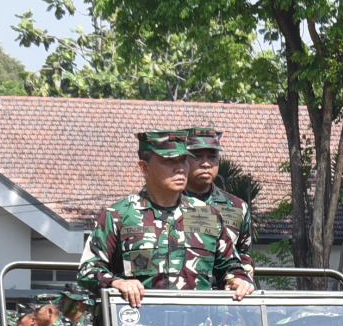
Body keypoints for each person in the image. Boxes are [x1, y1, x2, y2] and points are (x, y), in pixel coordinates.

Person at [78, 129, 254, 306]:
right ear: (144, 167)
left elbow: (232, 266)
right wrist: (117, 283)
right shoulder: (118, 215)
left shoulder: (208, 214)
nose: (180, 168)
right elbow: (89, 269)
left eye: (183, 160)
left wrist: (237, 280)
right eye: (169, 161)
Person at [183, 127, 255, 266]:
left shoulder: (237, 207)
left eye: (212, 157)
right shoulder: (168, 203)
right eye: (197, 156)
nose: (206, 164)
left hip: (224, 287)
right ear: (183, 159)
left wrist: (241, 279)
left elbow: (244, 255)